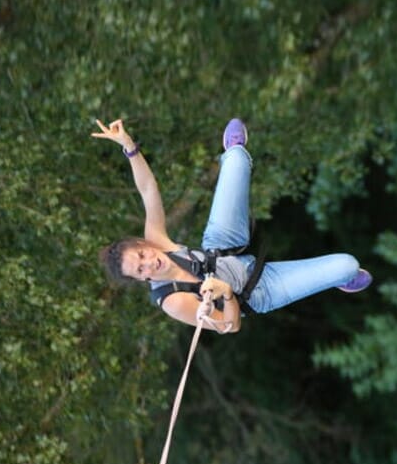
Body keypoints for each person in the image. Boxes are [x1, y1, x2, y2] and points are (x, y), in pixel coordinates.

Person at [93, 118, 372, 334]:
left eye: (142, 256)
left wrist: (128, 146)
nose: (149, 264)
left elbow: (147, 188)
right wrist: (226, 293)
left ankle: (234, 150)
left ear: (143, 245)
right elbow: (231, 325)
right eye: (140, 270)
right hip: (258, 290)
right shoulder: (173, 301)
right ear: (140, 280)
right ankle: (342, 278)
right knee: (347, 265)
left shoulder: (156, 241)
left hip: (222, 246)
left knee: (237, 159)